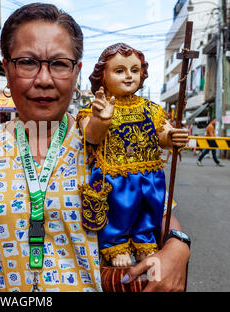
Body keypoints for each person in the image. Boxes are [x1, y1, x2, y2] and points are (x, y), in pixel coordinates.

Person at [0, 4, 190, 292]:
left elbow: (162, 217)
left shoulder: (113, 139)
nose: (44, 80)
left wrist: (178, 249)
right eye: (27, 62)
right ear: (7, 69)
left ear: (77, 73)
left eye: (59, 64)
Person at [76, 43, 189, 268]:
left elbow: (162, 133)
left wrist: (172, 137)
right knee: (118, 212)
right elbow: (91, 137)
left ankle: (145, 243)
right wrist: (102, 120)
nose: (129, 76)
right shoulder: (94, 108)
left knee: (150, 209)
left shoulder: (151, 108)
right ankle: (115, 245)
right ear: (103, 76)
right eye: (120, 71)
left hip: (149, 175)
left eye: (134, 71)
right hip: (113, 179)